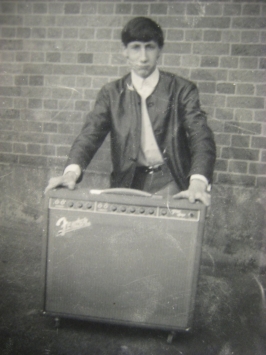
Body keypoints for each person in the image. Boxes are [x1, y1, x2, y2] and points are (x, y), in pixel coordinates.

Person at [45, 17, 216, 206]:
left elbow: (201, 136)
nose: (143, 57)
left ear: (159, 50)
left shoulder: (182, 89)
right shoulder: (111, 93)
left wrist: (198, 182)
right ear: (125, 51)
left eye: (149, 47)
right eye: (135, 47)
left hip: (170, 181)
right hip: (127, 182)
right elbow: (89, 135)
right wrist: (70, 173)